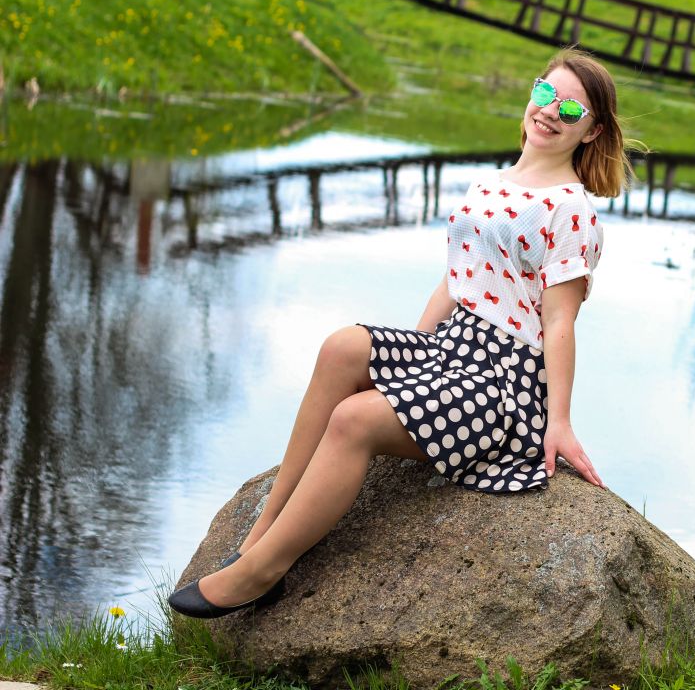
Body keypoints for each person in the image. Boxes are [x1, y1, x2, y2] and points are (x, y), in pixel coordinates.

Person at [169, 48, 635, 619]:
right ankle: (259, 534)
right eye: (545, 94)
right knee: (343, 346)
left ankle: (264, 571)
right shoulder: (492, 183)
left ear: (592, 131)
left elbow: (560, 321)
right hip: (455, 347)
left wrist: (558, 421)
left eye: (571, 109)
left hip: (505, 384)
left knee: (354, 419)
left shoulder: (571, 210)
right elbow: (456, 280)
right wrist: (414, 360)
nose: (550, 112)